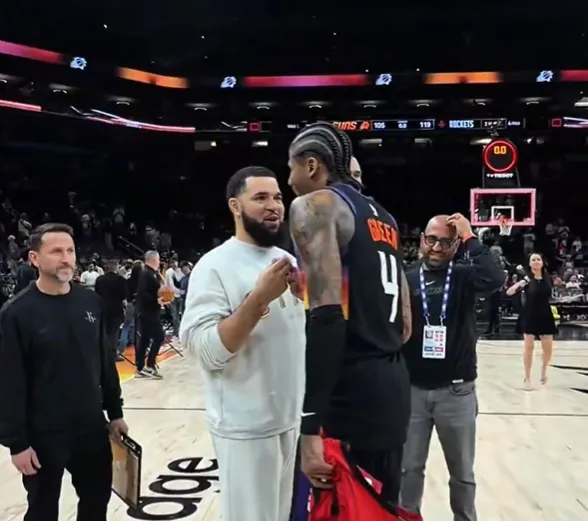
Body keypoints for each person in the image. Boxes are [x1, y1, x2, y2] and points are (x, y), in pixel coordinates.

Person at [287, 122, 412, 506]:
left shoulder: (314, 205)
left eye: (290, 167)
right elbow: (405, 324)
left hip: (348, 399)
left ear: (311, 165)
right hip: (392, 391)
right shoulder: (385, 217)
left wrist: (310, 426)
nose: (289, 180)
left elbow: (327, 317)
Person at [180, 166, 306, 521]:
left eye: (278, 197)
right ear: (235, 206)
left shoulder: (287, 260)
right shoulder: (214, 266)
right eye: (260, 198)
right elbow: (207, 352)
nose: (274, 206)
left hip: (289, 420)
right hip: (246, 427)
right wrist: (258, 299)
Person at [0, 222, 128, 521]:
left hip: (91, 427)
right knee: (43, 510)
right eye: (56, 251)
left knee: (96, 501)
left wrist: (115, 412)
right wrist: (17, 443)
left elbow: (104, 361)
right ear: (34, 258)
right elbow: (8, 382)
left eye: (70, 251)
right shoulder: (16, 313)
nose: (66, 258)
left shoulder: (90, 302)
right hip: (43, 434)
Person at [400, 214, 504, 521]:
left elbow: (495, 279)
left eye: (446, 242)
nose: (436, 247)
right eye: (431, 239)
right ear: (421, 239)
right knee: (408, 470)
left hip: (456, 391)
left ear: (456, 245)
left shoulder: (464, 275)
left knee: (462, 474)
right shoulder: (406, 277)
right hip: (412, 390)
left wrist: (471, 238)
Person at [506, 252, 556, 389]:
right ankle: (527, 377)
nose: (536, 261)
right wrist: (521, 283)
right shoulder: (527, 279)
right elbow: (509, 292)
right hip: (529, 314)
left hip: (545, 314)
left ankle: (544, 369)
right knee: (529, 347)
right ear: (529, 263)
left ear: (542, 262)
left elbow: (550, 296)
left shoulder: (548, 278)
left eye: (538, 259)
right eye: (533, 260)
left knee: (548, 349)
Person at [135, 251, 166, 379]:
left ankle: (140, 367)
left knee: (145, 339)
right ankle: (150, 365)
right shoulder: (146, 273)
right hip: (148, 311)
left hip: (149, 310)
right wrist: (156, 300)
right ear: (153, 260)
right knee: (159, 336)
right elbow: (142, 293)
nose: (159, 262)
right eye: (158, 260)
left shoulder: (151, 273)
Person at [95, 259, 128, 361]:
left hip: (102, 308)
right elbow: (124, 294)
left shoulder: (100, 279)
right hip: (115, 309)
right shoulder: (120, 279)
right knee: (114, 333)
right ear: (116, 267)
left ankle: (102, 353)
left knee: (103, 332)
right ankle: (112, 354)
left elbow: (97, 293)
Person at [164, 256, 184, 339]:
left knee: (182, 315)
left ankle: (182, 331)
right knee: (174, 315)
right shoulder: (168, 272)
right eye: (171, 263)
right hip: (172, 296)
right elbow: (166, 285)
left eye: (174, 262)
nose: (173, 264)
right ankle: (176, 332)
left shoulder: (182, 271)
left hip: (181, 296)